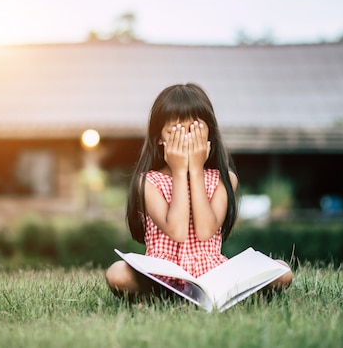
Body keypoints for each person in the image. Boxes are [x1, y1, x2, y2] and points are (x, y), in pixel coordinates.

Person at [105, 83, 293, 299]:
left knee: (282, 270)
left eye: (193, 130)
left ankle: (206, 296)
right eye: (175, 131)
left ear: (208, 135)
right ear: (159, 138)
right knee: (117, 272)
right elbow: (177, 231)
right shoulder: (148, 182)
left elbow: (205, 231)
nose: (185, 138)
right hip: (161, 275)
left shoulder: (225, 179)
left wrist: (195, 170)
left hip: (213, 274)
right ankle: (165, 294)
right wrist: (178, 171)